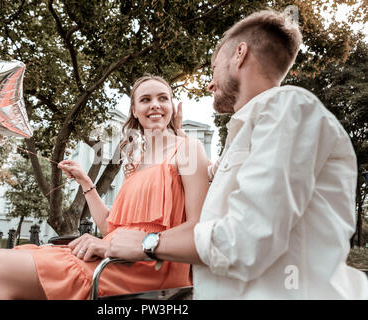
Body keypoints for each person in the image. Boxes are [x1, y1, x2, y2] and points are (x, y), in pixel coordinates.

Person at [105, 9, 368, 299]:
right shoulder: (247, 134)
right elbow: (204, 185)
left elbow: (245, 239)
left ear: (239, 54)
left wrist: (147, 243)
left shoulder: (289, 108)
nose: (210, 83)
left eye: (214, 67)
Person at [0, 75, 210, 299]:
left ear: (171, 106)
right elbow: (111, 228)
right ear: (134, 109)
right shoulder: (135, 163)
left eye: (162, 98)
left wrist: (132, 244)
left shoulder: (187, 150)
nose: (155, 105)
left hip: (147, 266)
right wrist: (86, 182)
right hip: (112, 257)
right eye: (145, 100)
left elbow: (197, 230)